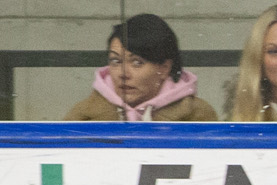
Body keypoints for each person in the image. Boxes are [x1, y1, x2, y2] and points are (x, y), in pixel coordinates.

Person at [63, 14, 218, 121]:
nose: (123, 74)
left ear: (164, 68)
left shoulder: (196, 115)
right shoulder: (85, 115)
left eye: (137, 62)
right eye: (116, 61)